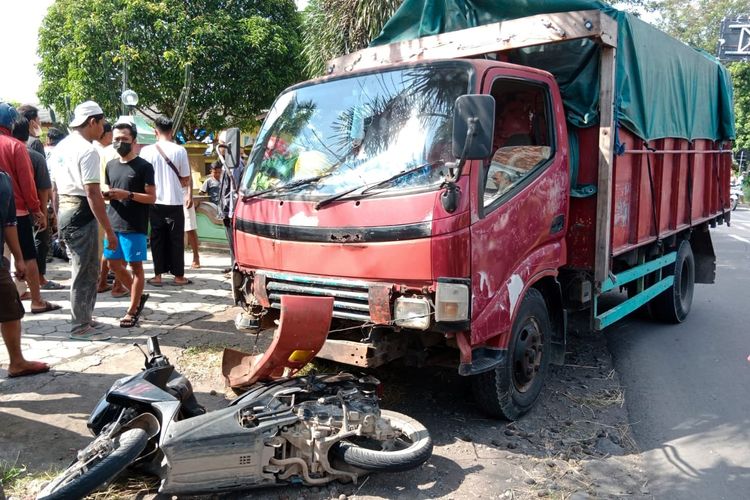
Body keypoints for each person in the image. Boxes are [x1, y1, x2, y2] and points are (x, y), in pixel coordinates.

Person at [48, 100, 116, 340]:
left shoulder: (61, 147)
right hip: (81, 212)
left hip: (66, 211)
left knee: (86, 269)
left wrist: (58, 221)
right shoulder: (88, 150)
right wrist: (109, 230)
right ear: (92, 122)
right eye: (103, 123)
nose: (104, 128)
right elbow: (92, 193)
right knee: (84, 271)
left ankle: (85, 318)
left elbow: (54, 189)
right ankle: (80, 327)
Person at [0, 103, 60, 315]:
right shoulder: (16, 146)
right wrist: (38, 211)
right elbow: (27, 184)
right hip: (17, 213)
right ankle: (36, 300)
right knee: (28, 257)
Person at [103, 119, 155, 327]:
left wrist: (128, 194)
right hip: (113, 222)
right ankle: (138, 294)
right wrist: (108, 195)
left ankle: (132, 310)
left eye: (124, 139)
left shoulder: (144, 166)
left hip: (135, 225)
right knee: (112, 264)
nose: (119, 143)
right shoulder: (110, 165)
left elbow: (151, 197)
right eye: (116, 139)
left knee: (136, 267)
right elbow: (111, 190)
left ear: (133, 140)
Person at [0, 171, 50, 378]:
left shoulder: (4, 179)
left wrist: (19, 258)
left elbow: (9, 223)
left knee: (10, 310)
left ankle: (17, 362)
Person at [11, 116, 64, 293]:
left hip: (9, 213)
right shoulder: (30, 154)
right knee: (30, 254)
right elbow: (41, 188)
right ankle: (36, 294)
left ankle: (18, 290)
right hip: (25, 212)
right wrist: (41, 212)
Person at [140, 116, 192, 286]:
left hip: (154, 201)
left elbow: (142, 178)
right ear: (171, 132)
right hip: (175, 201)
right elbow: (185, 178)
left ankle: (158, 276)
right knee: (176, 239)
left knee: (157, 238)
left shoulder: (146, 151)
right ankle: (178, 276)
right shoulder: (180, 151)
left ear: (156, 131)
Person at [94, 122, 128, 297]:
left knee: (109, 246)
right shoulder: (119, 154)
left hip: (103, 202)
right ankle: (117, 285)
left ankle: (102, 282)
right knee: (121, 246)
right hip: (118, 204)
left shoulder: (102, 152)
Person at [216, 130, 245, 271]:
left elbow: (234, 187)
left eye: (220, 144)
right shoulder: (228, 162)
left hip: (231, 207)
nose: (219, 147)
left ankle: (236, 265)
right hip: (227, 206)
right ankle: (233, 263)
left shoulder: (234, 163)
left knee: (233, 238)